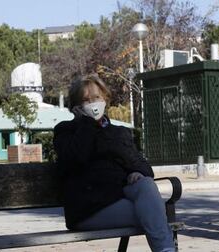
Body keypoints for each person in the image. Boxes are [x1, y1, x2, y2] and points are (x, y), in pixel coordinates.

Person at [53, 74, 175, 252]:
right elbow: (76, 158)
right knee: (152, 214)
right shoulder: (65, 131)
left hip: (120, 198)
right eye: (86, 100)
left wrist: (137, 172)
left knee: (146, 184)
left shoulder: (118, 132)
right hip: (88, 210)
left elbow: (144, 167)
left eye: (96, 98)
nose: (93, 103)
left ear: (105, 99)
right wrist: (87, 123)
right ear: (76, 107)